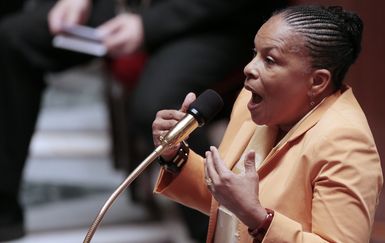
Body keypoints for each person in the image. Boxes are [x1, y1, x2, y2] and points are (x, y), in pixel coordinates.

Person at [0, 0, 286, 241]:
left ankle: (211, 230)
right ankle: (5, 211)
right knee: (13, 39)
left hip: (212, 19)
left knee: (161, 110)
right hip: (133, 7)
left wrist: (147, 25)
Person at [152, 5, 384, 243]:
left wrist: (257, 217)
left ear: (317, 81)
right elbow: (224, 198)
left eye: (269, 60)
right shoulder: (251, 104)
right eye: (255, 53)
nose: (249, 68)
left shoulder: (346, 144)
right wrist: (174, 155)